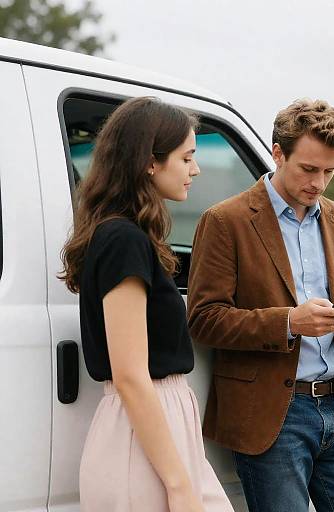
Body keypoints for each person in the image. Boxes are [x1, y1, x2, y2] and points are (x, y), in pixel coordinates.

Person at [187, 99, 334, 512]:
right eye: (308, 169)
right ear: (278, 153)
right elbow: (204, 320)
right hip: (273, 418)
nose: (319, 183)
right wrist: (291, 322)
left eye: (329, 171)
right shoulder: (226, 221)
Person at [59, 97, 234, 512]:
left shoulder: (128, 236)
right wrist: (178, 484)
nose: (196, 169)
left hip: (157, 431)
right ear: (150, 162)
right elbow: (131, 376)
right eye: (187, 157)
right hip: (143, 438)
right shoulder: (123, 241)